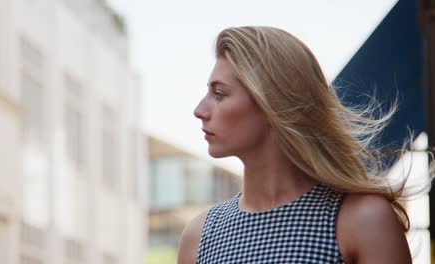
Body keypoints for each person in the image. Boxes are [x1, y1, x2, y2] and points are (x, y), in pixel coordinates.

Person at [177, 26, 434, 264]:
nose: (199, 110)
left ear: (273, 103)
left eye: (219, 94)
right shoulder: (199, 237)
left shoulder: (362, 220)